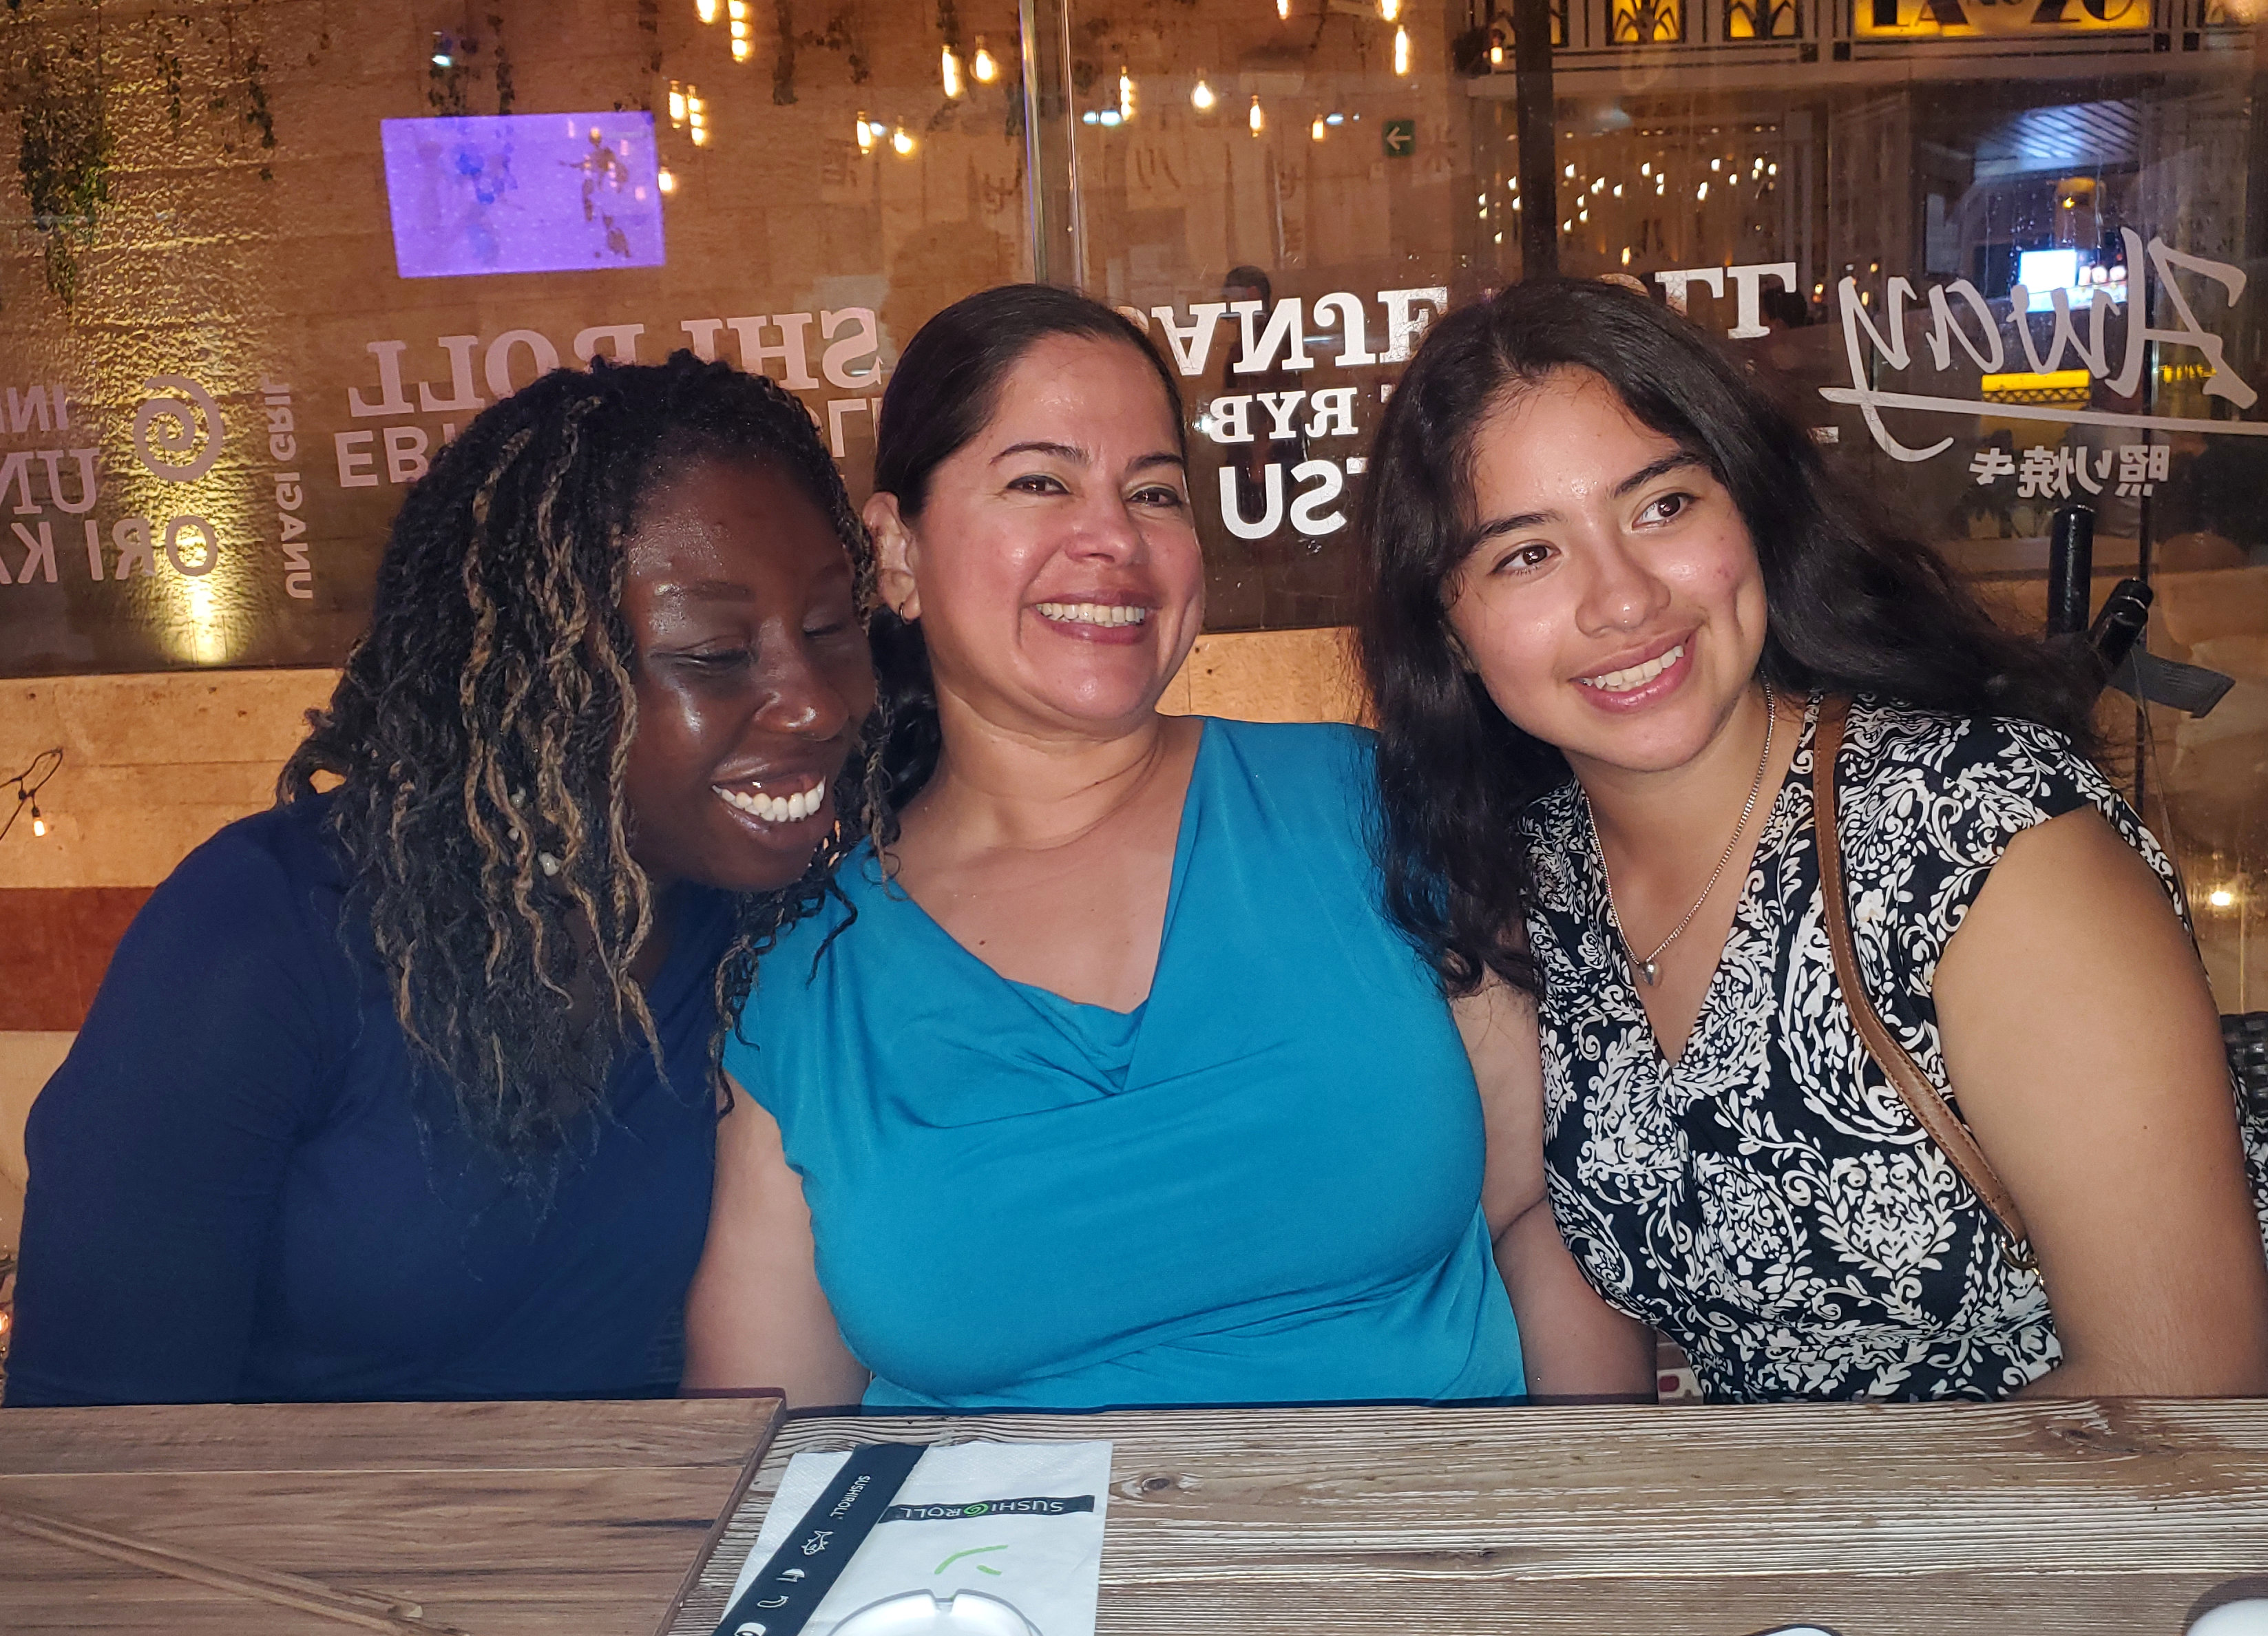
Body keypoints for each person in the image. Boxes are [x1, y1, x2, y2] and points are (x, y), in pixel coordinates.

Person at [1354, 277, 2268, 1403]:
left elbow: (2186, 1381)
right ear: (1450, 633)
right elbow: (1534, 1227)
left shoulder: (1984, 833)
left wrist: (1795, 1540)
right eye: (1527, 553)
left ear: (1751, 514)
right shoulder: (1535, 884)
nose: (1622, 598)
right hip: (1881, 1529)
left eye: (1662, 506)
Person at [685, 284, 1646, 1411]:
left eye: (1153, 492)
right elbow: (760, 1431)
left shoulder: (1372, 805)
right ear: (897, 552)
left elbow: (1545, 1213)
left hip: (1432, 1518)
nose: (1112, 538)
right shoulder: (810, 972)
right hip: (994, 1531)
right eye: (1041, 482)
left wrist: (1593, 1497)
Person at [6, 355, 878, 1405]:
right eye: (715, 654)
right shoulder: (262, 938)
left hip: (668, 1506)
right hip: (298, 1516)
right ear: (538, 675)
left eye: (830, 629)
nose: (816, 702)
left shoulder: (774, 925)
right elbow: (88, 1435)